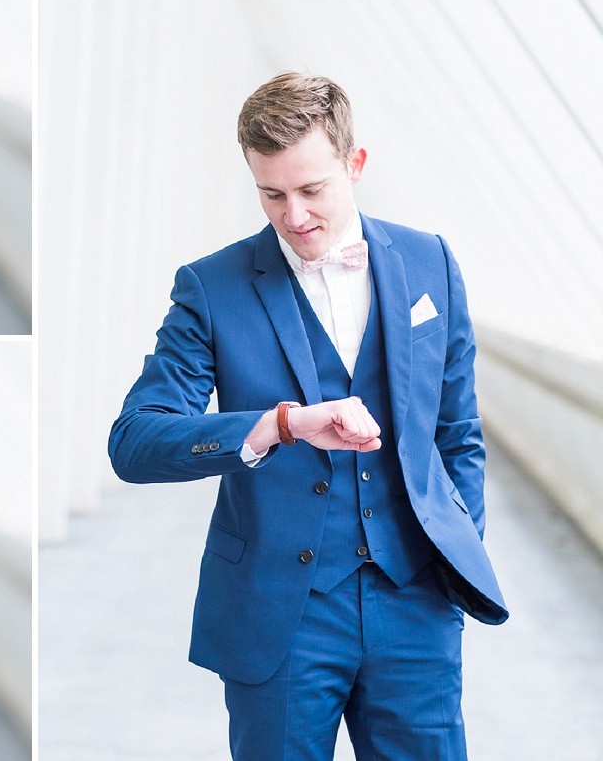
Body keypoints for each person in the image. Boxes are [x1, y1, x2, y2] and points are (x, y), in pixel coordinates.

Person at [108, 72, 508, 759]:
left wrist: (454, 547)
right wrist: (278, 425)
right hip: (280, 613)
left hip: (415, 605)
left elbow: (457, 433)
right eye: (273, 194)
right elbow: (135, 441)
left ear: (354, 165)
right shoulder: (212, 286)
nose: (294, 216)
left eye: (312, 189)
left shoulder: (429, 263)